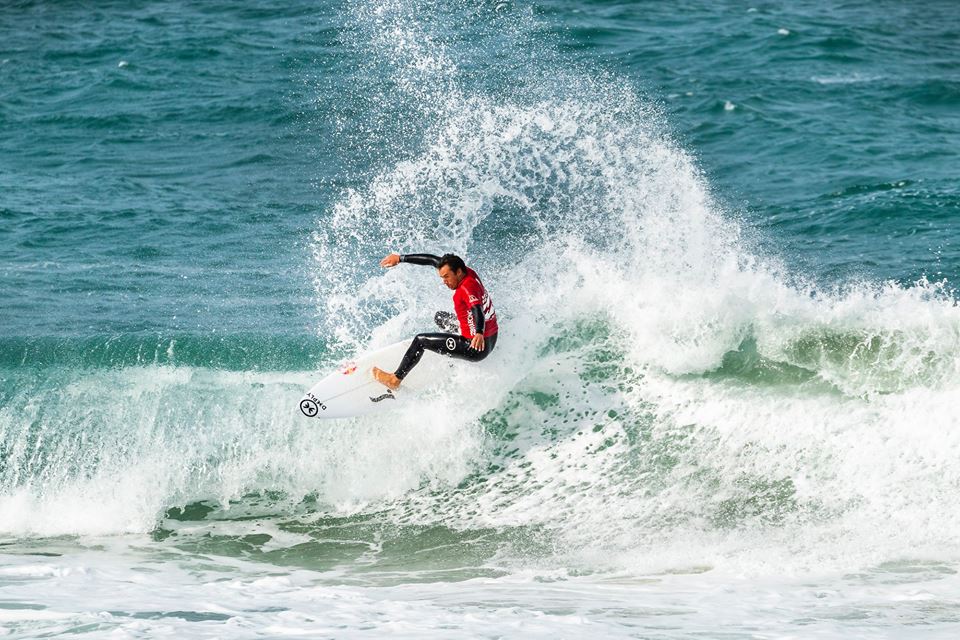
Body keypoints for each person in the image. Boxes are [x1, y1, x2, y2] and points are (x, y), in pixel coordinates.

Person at [372, 252, 499, 390]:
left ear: (458, 272)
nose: (444, 282)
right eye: (442, 277)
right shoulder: (467, 272)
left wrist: (479, 332)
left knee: (421, 340)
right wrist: (400, 258)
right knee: (440, 318)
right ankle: (452, 347)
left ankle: (394, 379)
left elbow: (477, 310)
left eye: (446, 277)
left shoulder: (467, 288)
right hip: (492, 336)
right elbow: (432, 260)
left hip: (476, 347)